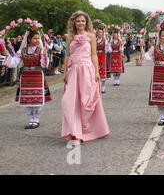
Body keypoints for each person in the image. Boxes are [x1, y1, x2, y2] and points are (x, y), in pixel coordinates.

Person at [61, 11, 110, 145]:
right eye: (78, 21)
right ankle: (75, 133)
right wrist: (64, 72)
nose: (81, 23)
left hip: (87, 70)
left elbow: (94, 55)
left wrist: (97, 72)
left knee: (86, 101)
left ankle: (88, 129)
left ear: (86, 22)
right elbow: (67, 55)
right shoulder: (70, 37)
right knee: (70, 101)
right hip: (73, 71)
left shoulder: (91, 36)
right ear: (74, 23)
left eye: (83, 21)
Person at [2, 29, 53, 129]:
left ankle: (36, 119)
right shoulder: (22, 51)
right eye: (35, 38)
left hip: (37, 75)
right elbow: (14, 63)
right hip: (26, 76)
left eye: (38, 38)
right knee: (28, 99)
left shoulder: (41, 50)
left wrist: (45, 55)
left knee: (37, 99)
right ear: (29, 39)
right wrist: (7, 54)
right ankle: (30, 120)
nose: (37, 40)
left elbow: (44, 65)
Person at [96, 27, 110, 93]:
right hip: (95, 56)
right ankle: (97, 87)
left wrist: (107, 48)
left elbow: (109, 50)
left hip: (102, 56)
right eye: (98, 32)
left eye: (101, 32)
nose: (99, 33)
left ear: (103, 33)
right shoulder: (94, 40)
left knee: (102, 70)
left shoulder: (105, 40)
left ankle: (103, 86)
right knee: (95, 70)